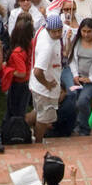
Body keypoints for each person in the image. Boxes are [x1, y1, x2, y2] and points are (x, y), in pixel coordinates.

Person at [29, 13, 65, 141]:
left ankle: (22, 128)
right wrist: (47, 84)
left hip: (37, 86)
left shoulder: (42, 30)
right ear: (48, 29)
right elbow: (38, 72)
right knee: (44, 119)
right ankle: (38, 141)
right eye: (54, 32)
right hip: (44, 90)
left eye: (59, 31)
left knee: (38, 111)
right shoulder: (47, 47)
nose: (57, 34)